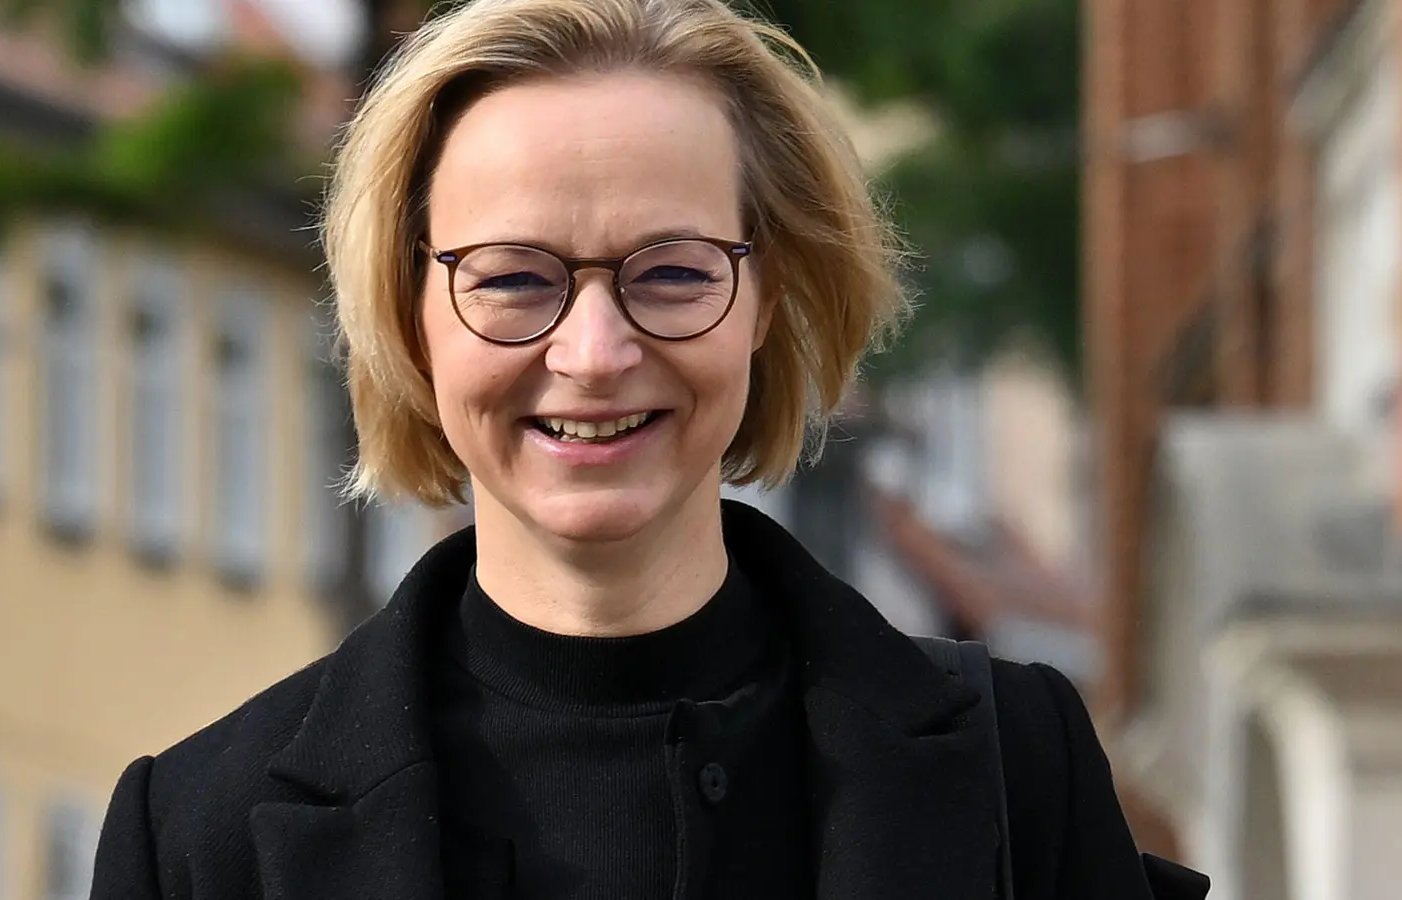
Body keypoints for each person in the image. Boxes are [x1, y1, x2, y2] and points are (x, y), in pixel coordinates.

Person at [89, 1, 1211, 898]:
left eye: (671, 272)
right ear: (408, 310)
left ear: (764, 297)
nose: (591, 350)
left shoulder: (1015, 767)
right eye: (514, 279)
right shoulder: (202, 834)